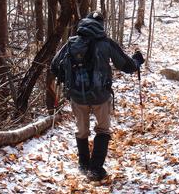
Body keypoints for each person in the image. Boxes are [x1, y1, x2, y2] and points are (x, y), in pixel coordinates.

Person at [51, 11, 144, 182]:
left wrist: (67, 81)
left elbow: (54, 66)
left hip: (77, 96)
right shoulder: (106, 43)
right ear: (101, 25)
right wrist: (137, 61)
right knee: (102, 129)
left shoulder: (71, 43)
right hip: (101, 95)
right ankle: (95, 169)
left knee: (82, 130)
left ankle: (83, 164)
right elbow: (126, 65)